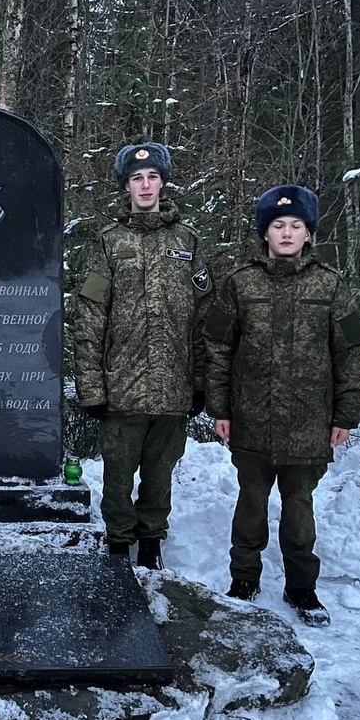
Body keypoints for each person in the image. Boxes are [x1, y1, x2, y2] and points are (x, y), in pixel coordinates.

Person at [204, 184, 360, 627]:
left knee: (299, 510)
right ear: (265, 234)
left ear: (309, 234)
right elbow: (218, 347)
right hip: (251, 420)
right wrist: (221, 409)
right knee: (250, 505)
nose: (288, 233)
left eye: (296, 225)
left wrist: (345, 416)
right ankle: (243, 580)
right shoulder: (239, 284)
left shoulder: (331, 286)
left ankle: (302, 589)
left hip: (308, 424)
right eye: (279, 226)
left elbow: (351, 352)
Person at [73, 142, 211, 568]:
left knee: (159, 475)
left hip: (173, 386)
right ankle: (118, 544)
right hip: (122, 387)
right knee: (117, 476)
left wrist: (202, 382)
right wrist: (92, 386)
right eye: (137, 178)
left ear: (163, 182)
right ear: (126, 186)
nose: (146, 185)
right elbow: (90, 315)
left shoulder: (187, 240)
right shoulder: (110, 242)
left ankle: (151, 543)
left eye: (152, 177)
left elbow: (205, 318)